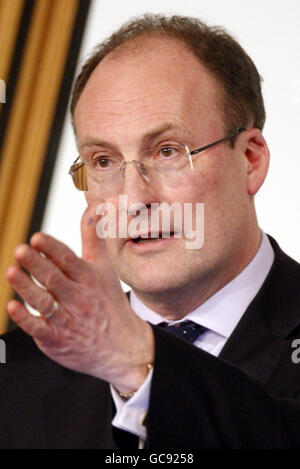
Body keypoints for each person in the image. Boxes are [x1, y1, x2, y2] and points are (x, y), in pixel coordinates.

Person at [1, 14, 300, 449]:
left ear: (250, 159)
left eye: (167, 152)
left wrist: (140, 365)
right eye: (103, 162)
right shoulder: (14, 376)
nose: (134, 199)